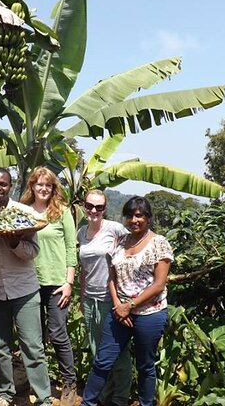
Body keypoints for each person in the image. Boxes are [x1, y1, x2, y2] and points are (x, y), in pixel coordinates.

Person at [81, 196, 173, 406]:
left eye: (139, 215)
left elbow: (159, 284)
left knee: (145, 365)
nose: (134, 220)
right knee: (102, 361)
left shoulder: (159, 243)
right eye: (130, 215)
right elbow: (111, 276)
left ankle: (145, 404)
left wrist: (130, 306)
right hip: (119, 312)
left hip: (150, 314)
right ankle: (87, 403)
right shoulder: (121, 242)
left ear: (147, 217)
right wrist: (118, 306)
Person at [0, 168, 52, 406]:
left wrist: (15, 242)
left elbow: (33, 252)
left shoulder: (25, 213)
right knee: (0, 346)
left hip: (24, 291)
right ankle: (5, 393)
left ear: (11, 186)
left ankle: (43, 397)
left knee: (33, 346)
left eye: (3, 184)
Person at [20, 167, 77, 406]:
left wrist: (69, 282)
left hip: (55, 282)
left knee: (57, 333)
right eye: (39, 184)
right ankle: (35, 378)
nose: (43, 188)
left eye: (48, 185)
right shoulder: (22, 211)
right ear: (32, 186)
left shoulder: (62, 212)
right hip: (28, 281)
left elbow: (71, 247)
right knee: (33, 336)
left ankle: (69, 382)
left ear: (54, 188)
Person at [77, 189, 132, 406]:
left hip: (112, 300)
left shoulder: (115, 229)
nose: (94, 211)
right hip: (90, 299)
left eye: (99, 207)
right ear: (84, 206)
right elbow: (84, 267)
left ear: (105, 209)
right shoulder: (81, 232)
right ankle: (104, 395)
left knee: (118, 353)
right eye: (90, 206)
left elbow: (137, 243)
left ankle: (120, 399)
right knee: (96, 351)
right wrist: (82, 297)